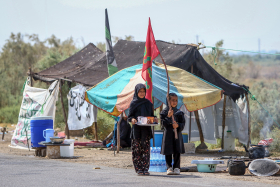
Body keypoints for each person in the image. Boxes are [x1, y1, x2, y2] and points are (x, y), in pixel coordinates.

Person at [128, 83, 158, 176]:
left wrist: (155, 119)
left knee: (145, 150)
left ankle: (145, 168)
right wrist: (132, 119)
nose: (142, 93)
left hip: (146, 130)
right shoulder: (133, 103)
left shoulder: (148, 103)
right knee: (137, 150)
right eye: (140, 91)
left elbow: (152, 116)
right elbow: (130, 116)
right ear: (136, 92)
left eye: (143, 91)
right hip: (136, 130)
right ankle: (139, 169)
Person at [160, 93, 185, 175]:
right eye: (172, 100)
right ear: (168, 101)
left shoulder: (179, 112)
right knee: (168, 151)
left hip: (177, 134)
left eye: (176, 100)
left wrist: (178, 125)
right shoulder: (164, 112)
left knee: (177, 150)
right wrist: (168, 116)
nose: (174, 102)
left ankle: (177, 167)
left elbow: (182, 124)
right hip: (168, 135)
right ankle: (169, 167)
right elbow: (163, 124)